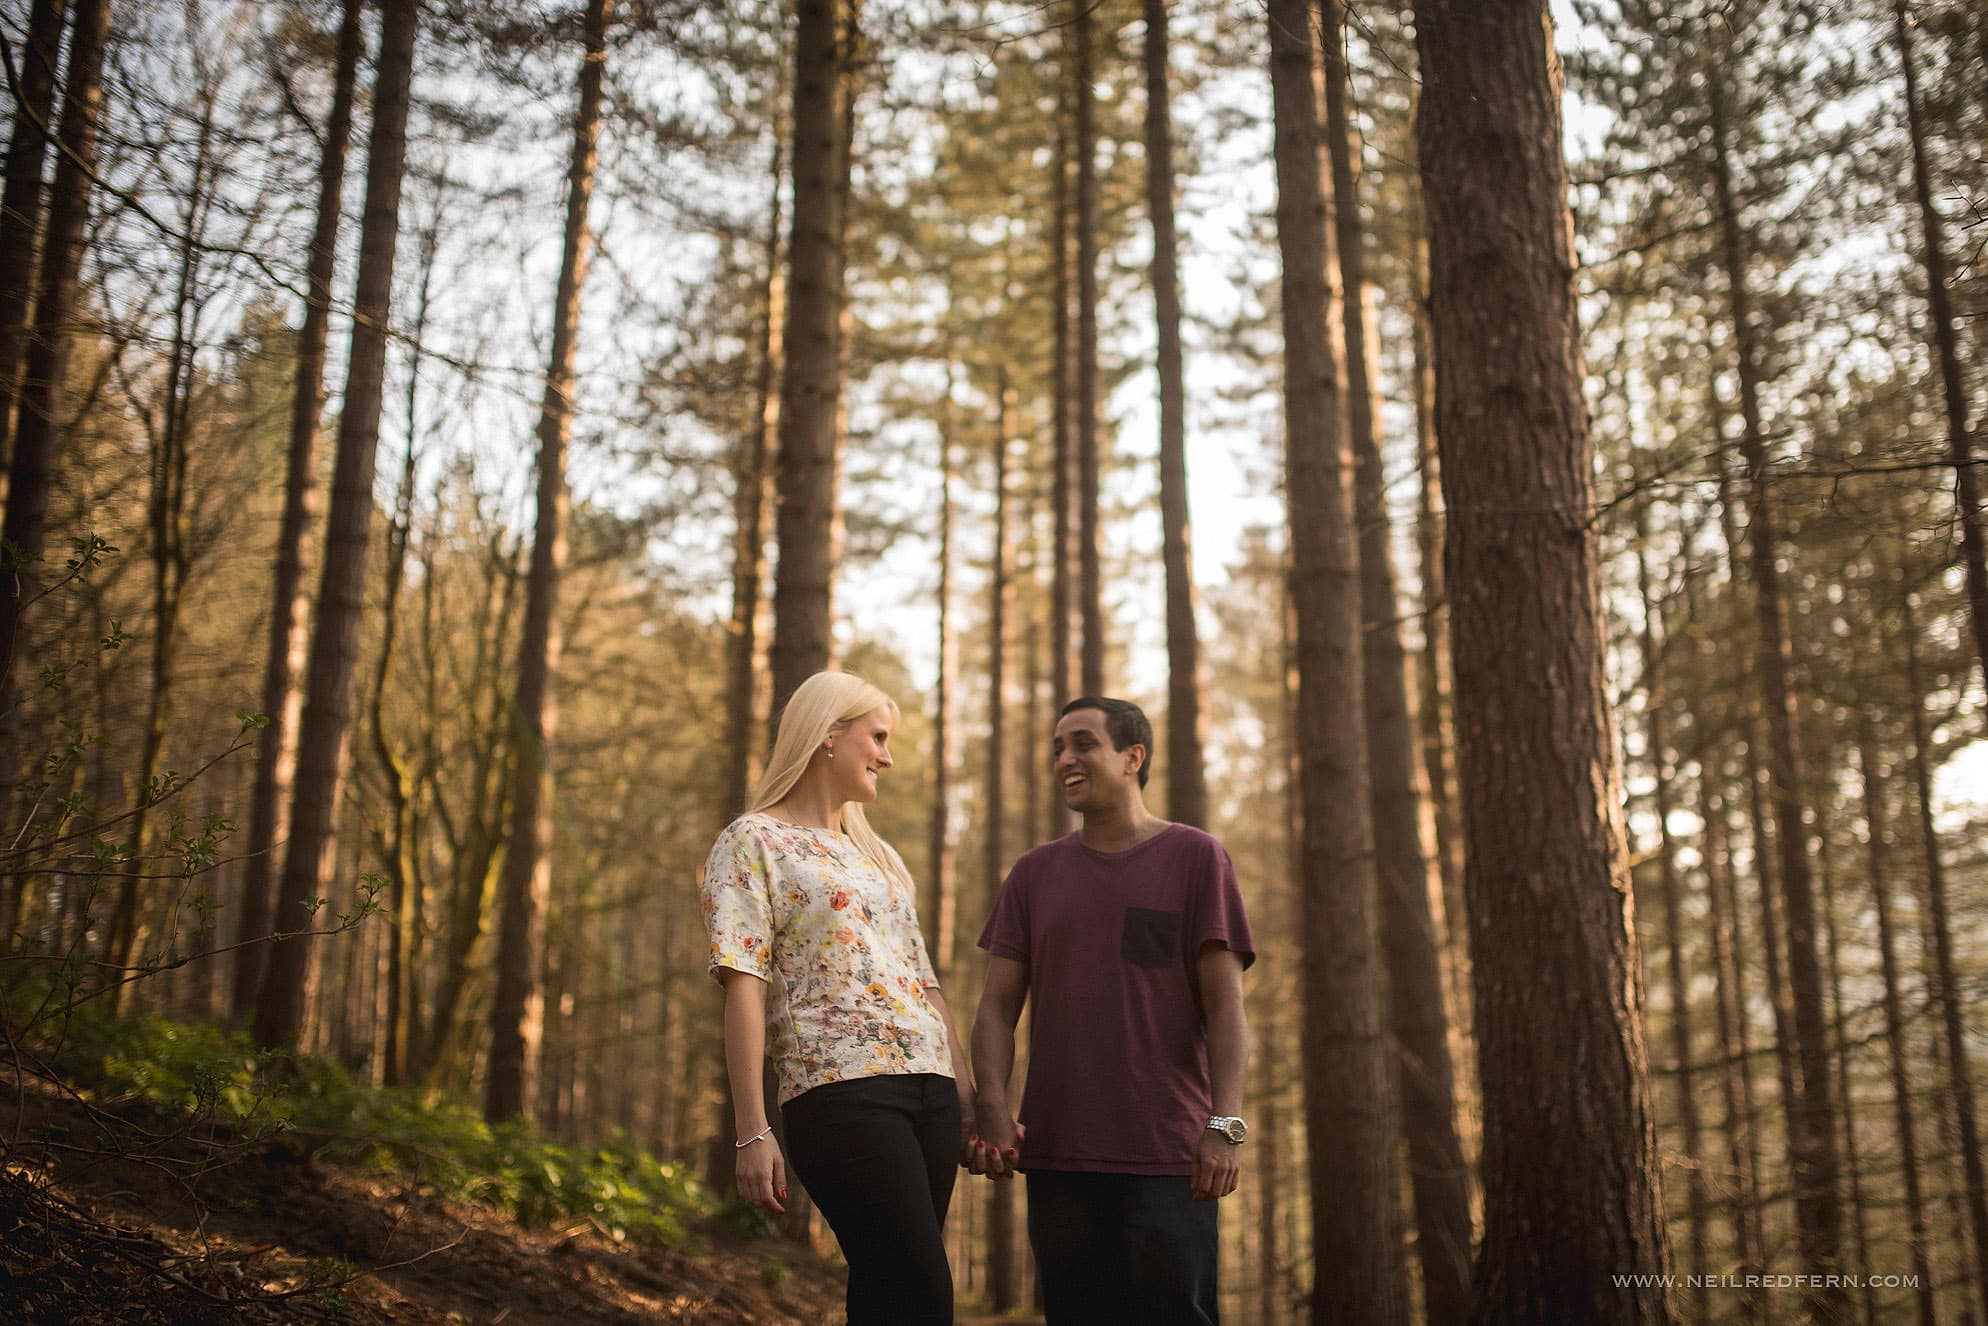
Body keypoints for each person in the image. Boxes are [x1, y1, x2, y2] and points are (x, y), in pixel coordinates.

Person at [969, 695, 1253, 1326]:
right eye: (1056, 748)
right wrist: (991, 1104)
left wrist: (1225, 1127)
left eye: (1082, 743)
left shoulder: (1195, 857)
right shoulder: (1033, 875)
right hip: (1058, 1154)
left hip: (1170, 1157)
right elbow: (995, 1009)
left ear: (1133, 758)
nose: (1064, 759)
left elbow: (1226, 1008)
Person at [701, 670, 973, 1325]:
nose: (887, 754)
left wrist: (972, 1099)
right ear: (828, 736)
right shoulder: (753, 841)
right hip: (841, 1090)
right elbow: (743, 985)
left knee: (887, 1293)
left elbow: (925, 985)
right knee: (923, 1293)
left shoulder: (878, 858)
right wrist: (751, 1130)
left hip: (931, 1093)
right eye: (877, 737)